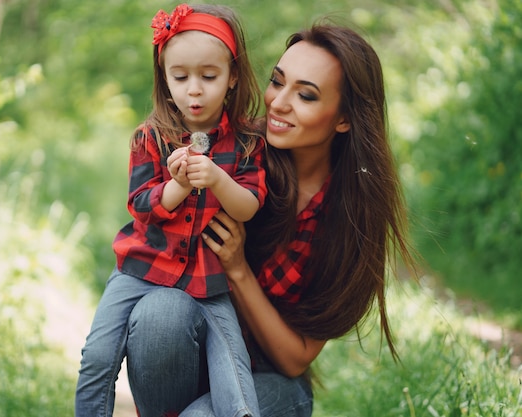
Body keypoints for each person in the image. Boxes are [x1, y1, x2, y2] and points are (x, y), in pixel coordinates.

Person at [123, 20, 419, 416]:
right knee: (160, 313)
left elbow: (296, 359)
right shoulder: (239, 157)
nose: (278, 102)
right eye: (278, 81)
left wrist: (238, 268)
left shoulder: (348, 218)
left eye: (307, 95)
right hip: (191, 356)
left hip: (273, 381)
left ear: (344, 119)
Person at [75, 4, 266, 417]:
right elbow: (141, 204)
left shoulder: (249, 142)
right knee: (97, 357)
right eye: (180, 77)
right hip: (139, 270)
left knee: (236, 381)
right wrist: (177, 185)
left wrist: (216, 178)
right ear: (164, 76)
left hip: (210, 280)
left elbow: (249, 205)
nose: (193, 90)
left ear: (233, 77)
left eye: (208, 76)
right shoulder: (150, 136)